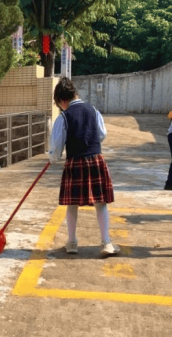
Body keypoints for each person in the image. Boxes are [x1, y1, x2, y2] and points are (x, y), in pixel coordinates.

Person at [48, 77, 119, 256]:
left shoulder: (64, 117)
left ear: (62, 100)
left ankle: (72, 242)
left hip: (75, 162)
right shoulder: (93, 110)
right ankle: (106, 243)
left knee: (72, 204)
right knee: (101, 203)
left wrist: (52, 158)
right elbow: (102, 134)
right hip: (95, 159)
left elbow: (56, 146)